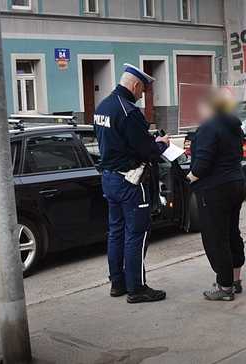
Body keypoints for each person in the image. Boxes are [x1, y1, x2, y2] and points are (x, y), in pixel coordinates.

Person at [94, 64, 169, 304]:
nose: (141, 95)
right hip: (131, 182)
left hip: (109, 178)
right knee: (136, 234)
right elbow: (146, 150)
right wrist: (162, 144)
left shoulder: (103, 106)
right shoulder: (129, 111)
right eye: (142, 91)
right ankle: (137, 288)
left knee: (115, 232)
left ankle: (117, 283)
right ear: (135, 85)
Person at [187, 87, 246, 301]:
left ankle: (225, 287)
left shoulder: (209, 128)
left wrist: (190, 178)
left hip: (214, 189)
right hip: (236, 183)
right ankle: (235, 279)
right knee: (232, 232)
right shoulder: (234, 126)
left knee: (216, 238)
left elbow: (202, 163)